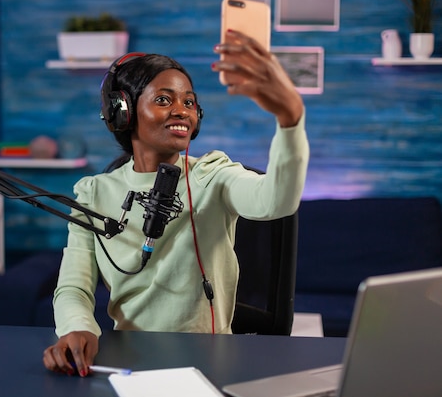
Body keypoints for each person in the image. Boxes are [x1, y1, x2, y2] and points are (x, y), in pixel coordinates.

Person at [42, 30, 309, 377]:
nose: (182, 111)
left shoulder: (214, 175)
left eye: (189, 101)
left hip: (210, 361)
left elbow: (277, 201)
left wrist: (290, 120)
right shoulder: (94, 193)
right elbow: (74, 285)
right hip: (130, 363)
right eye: (165, 100)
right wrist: (76, 328)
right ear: (122, 112)